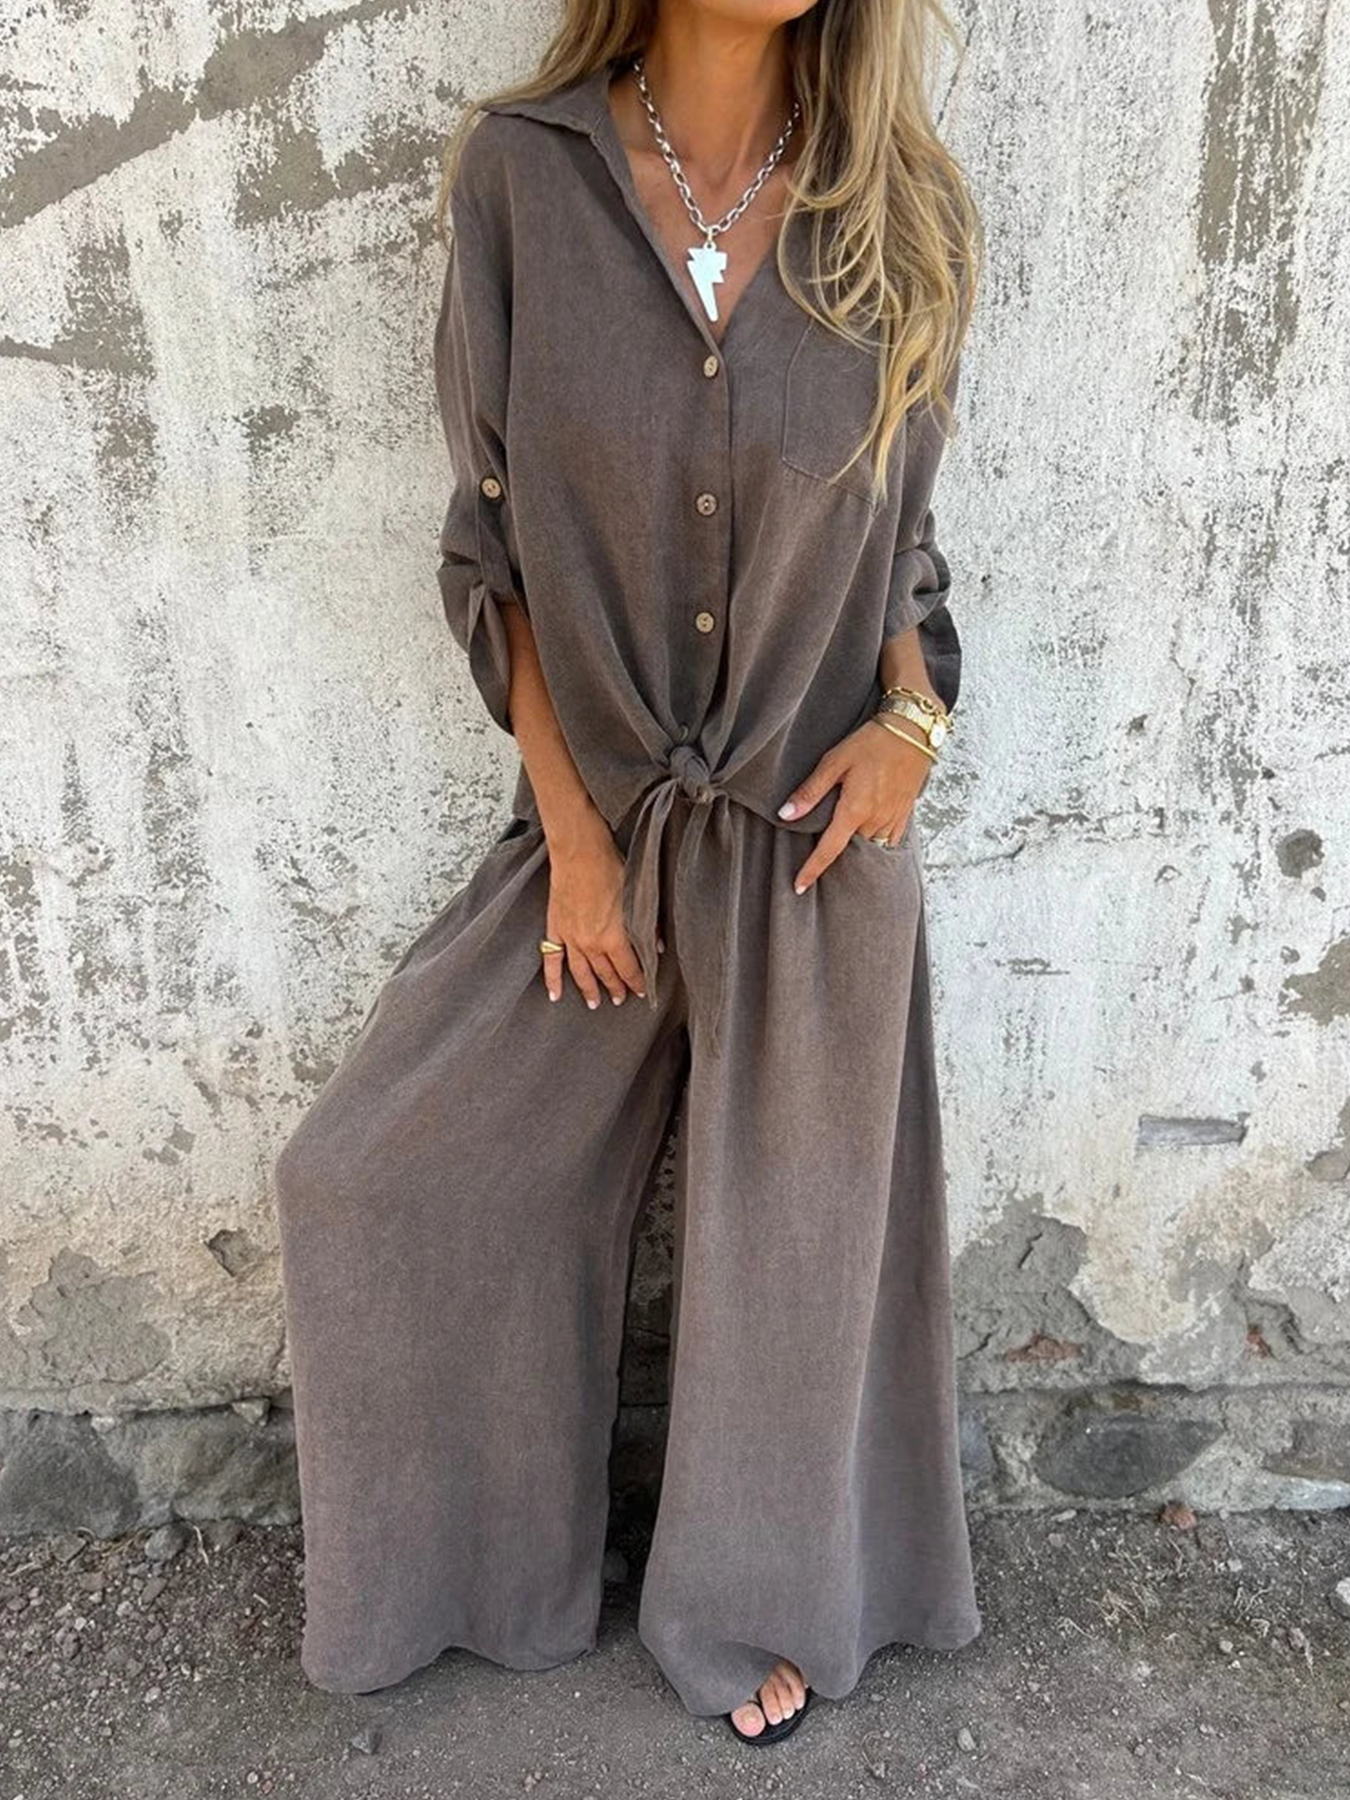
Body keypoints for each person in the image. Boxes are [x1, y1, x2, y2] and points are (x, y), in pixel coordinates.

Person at [273, 0, 984, 1748]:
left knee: (795, 1262)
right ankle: (465, 1572)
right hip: (602, 833)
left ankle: (762, 1597)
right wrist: (576, 847)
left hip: (812, 839)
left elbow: (902, 552)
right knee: (369, 1180)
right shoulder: (523, 178)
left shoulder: (899, 210)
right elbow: (490, 549)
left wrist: (913, 729)